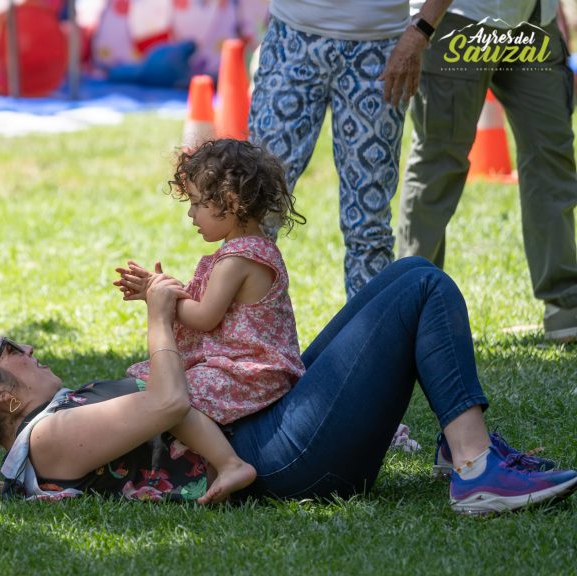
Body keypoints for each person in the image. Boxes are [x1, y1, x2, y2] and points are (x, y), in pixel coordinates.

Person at [0, 256, 577, 513]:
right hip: (280, 461)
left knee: (406, 277)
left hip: (271, 436)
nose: (29, 349)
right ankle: (475, 467)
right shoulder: (45, 441)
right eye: (11, 350)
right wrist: (159, 317)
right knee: (423, 288)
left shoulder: (56, 419)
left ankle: (464, 448)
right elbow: (168, 403)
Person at [111, 139, 306, 503]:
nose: (191, 214)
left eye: (199, 203)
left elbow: (204, 317)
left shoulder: (237, 259)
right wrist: (161, 290)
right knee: (156, 383)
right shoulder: (250, 249)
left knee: (172, 394)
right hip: (240, 363)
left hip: (253, 370)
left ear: (231, 202)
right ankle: (201, 460)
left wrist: (161, 300)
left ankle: (229, 464)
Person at [397, 0, 577, 343]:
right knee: (439, 163)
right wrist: (422, 28)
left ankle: (565, 302)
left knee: (551, 153)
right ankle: (410, 310)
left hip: (534, 20)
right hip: (458, 17)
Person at [248, 0, 454, 298]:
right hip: (292, 39)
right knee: (255, 205)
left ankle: (370, 328)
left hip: (380, 48)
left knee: (369, 225)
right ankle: (241, 325)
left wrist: (420, 32)